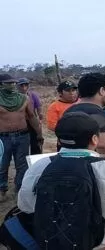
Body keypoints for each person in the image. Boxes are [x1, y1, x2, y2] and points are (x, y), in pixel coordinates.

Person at [18, 112, 105, 249]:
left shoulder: (39, 166)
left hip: (52, 240)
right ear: (94, 139)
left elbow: (25, 205)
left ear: (60, 140)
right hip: (98, 242)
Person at [0, 74, 43, 202]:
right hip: (3, 138)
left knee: (22, 165)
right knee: (2, 164)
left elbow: (31, 117)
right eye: (8, 83)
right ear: (1, 85)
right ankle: (2, 190)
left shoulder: (24, 99)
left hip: (22, 136)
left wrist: (39, 133)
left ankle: (19, 189)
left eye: (13, 83)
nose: (12, 85)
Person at [17, 78, 43, 154]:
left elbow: (38, 106)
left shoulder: (33, 95)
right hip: (20, 121)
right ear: (18, 86)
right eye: (21, 85)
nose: (24, 87)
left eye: (26, 85)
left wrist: (40, 113)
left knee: (35, 139)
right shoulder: (16, 97)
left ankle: (36, 156)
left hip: (32, 120)